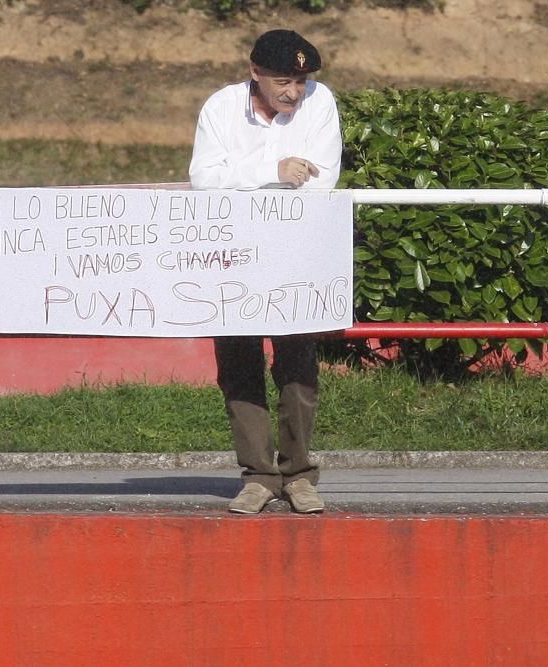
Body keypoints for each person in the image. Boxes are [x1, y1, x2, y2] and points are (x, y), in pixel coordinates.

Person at [188, 29, 342, 514]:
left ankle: (298, 473)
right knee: (238, 365)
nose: (293, 92)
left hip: (296, 250)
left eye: (300, 80)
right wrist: (271, 170)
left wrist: (246, 176)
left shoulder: (321, 103)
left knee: (298, 367)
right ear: (254, 73)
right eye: (282, 80)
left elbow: (320, 179)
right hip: (231, 252)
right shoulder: (219, 107)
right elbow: (204, 181)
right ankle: (258, 475)